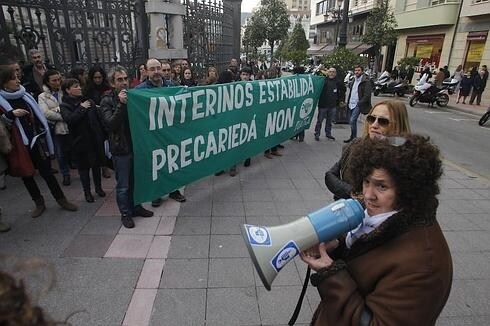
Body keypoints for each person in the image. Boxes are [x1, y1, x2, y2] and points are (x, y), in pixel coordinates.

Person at [302, 134, 452, 325]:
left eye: (381, 186)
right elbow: (366, 260)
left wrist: (331, 274)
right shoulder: (384, 218)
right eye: (366, 181)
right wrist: (337, 248)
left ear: (408, 190)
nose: (367, 195)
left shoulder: (424, 266)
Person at [0, 65, 78, 217]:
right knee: (27, 175)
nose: (18, 80)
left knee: (47, 172)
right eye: (13, 78)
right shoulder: (1, 101)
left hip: (35, 140)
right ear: (4, 82)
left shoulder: (25, 95)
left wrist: (41, 131)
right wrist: (10, 115)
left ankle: (61, 200)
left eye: (17, 77)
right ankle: (39, 203)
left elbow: (38, 117)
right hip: (18, 145)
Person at [99, 66, 154, 228]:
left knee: (136, 181)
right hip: (121, 149)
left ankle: (136, 207)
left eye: (125, 79)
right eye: (119, 80)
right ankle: (125, 213)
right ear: (112, 83)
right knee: (123, 185)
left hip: (136, 146)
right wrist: (121, 105)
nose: (124, 83)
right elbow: (111, 124)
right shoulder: (107, 100)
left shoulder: (134, 95)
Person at [325, 100, 411, 200]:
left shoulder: (406, 159)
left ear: (398, 125)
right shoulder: (355, 145)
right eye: (371, 118)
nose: (374, 125)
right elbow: (330, 175)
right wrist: (351, 193)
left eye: (383, 121)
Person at [136, 58, 186, 206]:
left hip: (170, 133)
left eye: (158, 68)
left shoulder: (172, 86)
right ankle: (156, 193)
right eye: (153, 69)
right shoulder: (140, 90)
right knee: (155, 164)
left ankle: (173, 190)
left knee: (173, 161)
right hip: (152, 135)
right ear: (146, 71)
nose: (157, 72)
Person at [60, 78, 107, 203]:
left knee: (96, 166)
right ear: (68, 90)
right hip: (79, 142)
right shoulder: (65, 105)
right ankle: (87, 192)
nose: (79, 88)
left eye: (79, 86)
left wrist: (102, 135)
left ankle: (99, 188)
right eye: (75, 86)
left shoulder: (89, 101)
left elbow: (98, 119)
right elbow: (70, 120)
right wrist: (81, 108)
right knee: (84, 169)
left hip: (94, 139)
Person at [38, 69, 72, 186]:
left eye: (59, 79)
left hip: (71, 126)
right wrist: (65, 115)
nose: (57, 82)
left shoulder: (66, 91)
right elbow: (46, 113)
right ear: (47, 82)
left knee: (74, 149)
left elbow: (72, 106)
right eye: (54, 81)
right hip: (57, 129)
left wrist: (58, 111)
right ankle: (65, 174)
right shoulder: (42, 96)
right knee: (60, 153)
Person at [315, 67, 346, 141]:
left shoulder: (338, 82)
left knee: (329, 121)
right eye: (330, 72)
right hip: (323, 105)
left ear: (335, 73)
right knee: (320, 120)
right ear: (328, 73)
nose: (331, 73)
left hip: (333, 105)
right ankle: (317, 133)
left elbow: (343, 91)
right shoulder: (323, 81)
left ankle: (328, 133)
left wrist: (341, 100)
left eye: (333, 72)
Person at [344, 65, 372, 143]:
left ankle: (354, 138)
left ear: (362, 71)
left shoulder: (365, 81)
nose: (357, 72)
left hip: (358, 104)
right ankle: (352, 136)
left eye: (358, 70)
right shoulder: (353, 79)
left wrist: (359, 103)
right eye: (355, 70)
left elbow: (367, 95)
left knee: (353, 120)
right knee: (351, 121)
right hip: (350, 103)